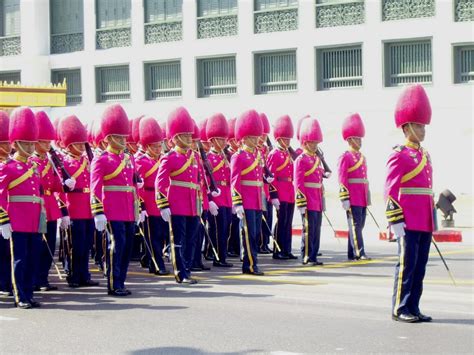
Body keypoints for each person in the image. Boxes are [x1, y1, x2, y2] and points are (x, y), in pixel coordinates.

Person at [385, 84, 435, 323]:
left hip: (423, 219)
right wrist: (394, 220)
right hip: (407, 219)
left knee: (420, 267)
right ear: (406, 127)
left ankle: (413, 306)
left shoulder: (425, 155)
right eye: (417, 125)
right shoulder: (399, 154)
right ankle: (400, 307)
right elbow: (391, 189)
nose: (422, 129)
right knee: (406, 266)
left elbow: (427, 190)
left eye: (423, 125)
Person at [91, 104, 140, 296]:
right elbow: (95, 187)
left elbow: (133, 185)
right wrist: (98, 211)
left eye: (123, 136)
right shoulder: (101, 159)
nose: (123, 140)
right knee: (116, 246)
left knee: (127, 247)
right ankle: (113, 283)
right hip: (112, 210)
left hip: (128, 209)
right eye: (119, 137)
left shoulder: (129, 158)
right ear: (109, 138)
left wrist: (138, 209)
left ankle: (121, 280)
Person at [0, 107, 43, 308]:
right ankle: (20, 296)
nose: (30, 146)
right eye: (26, 142)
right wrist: (3, 220)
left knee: (33, 259)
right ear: (16, 143)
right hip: (17, 221)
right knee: (19, 260)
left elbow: (38, 195)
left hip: (34, 221)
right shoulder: (7, 167)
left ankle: (29, 293)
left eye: (31, 142)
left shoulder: (33, 166)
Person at [155, 107, 200, 284]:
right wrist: (163, 205)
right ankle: (180, 273)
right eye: (186, 135)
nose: (190, 138)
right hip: (177, 204)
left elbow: (198, 181)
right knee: (179, 241)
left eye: (190, 135)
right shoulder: (169, 158)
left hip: (192, 204)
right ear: (176, 137)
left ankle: (187, 270)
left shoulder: (193, 157)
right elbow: (161, 183)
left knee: (191, 239)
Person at [59, 115, 99, 288]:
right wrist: (63, 212)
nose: (82, 146)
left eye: (83, 143)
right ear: (69, 144)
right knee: (75, 246)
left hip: (88, 208)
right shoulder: (63, 162)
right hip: (74, 207)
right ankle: (74, 276)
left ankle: (85, 274)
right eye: (78, 143)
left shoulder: (88, 160)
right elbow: (58, 189)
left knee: (87, 244)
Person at [231, 109, 266, 276]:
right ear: (244, 137)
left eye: (256, 136)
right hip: (246, 201)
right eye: (253, 137)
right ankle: (250, 265)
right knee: (248, 233)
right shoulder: (238, 156)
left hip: (257, 200)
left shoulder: (256, 155)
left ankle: (253, 262)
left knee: (256, 234)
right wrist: (237, 202)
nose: (256, 139)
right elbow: (235, 181)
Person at [134, 117, 169, 276]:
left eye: (159, 145)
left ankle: (149, 259)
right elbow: (138, 186)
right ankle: (156, 264)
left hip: (160, 201)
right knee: (152, 236)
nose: (158, 149)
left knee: (160, 235)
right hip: (148, 201)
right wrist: (141, 205)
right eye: (154, 146)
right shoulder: (140, 161)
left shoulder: (162, 159)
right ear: (147, 146)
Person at [337, 113, 371, 261]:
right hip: (353, 196)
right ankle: (359, 251)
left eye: (360, 138)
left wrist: (367, 196)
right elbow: (342, 177)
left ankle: (351, 251)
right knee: (356, 224)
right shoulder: (346, 156)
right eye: (357, 138)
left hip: (362, 196)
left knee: (359, 224)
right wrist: (344, 197)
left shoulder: (362, 157)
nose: (360, 141)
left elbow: (364, 179)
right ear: (350, 139)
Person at [294, 117, 325, 266]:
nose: (315, 145)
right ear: (305, 142)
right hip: (308, 198)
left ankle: (313, 255)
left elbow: (319, 180)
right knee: (308, 229)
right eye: (312, 142)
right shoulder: (301, 159)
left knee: (316, 229)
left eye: (316, 142)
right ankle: (306, 255)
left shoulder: (317, 159)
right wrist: (301, 201)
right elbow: (299, 183)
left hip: (317, 198)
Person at [267, 115, 296, 260]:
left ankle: (287, 249)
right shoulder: (274, 154)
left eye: (289, 139)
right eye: (285, 139)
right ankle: (277, 249)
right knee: (281, 221)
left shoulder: (288, 154)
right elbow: (271, 176)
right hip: (280, 192)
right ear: (278, 139)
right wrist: (274, 195)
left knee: (288, 222)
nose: (287, 142)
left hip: (289, 191)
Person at [206, 113, 233, 268]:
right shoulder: (209, 158)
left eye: (224, 139)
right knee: (218, 229)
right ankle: (217, 256)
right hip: (217, 197)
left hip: (227, 196)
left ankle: (222, 255)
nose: (224, 142)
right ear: (213, 140)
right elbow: (207, 180)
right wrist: (210, 199)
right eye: (221, 139)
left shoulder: (226, 157)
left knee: (226, 228)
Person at [0, 110, 12, 297]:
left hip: (11, 212)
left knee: (6, 252)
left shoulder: (11, 163)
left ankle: (5, 283)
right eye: (4, 143)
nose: (8, 146)